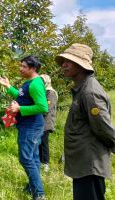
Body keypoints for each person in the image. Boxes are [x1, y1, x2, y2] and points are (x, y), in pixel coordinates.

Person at [55, 43, 115, 200]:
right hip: (83, 162)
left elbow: (103, 128)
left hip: (90, 164)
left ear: (81, 65)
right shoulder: (82, 88)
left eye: (69, 61)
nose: (64, 64)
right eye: (63, 61)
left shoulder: (90, 93)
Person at [0, 56, 48, 200]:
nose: (21, 69)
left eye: (24, 66)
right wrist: (8, 86)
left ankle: (39, 194)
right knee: (33, 157)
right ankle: (32, 186)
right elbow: (21, 96)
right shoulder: (29, 82)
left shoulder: (35, 84)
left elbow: (42, 107)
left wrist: (20, 108)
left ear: (33, 68)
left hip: (31, 126)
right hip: (30, 125)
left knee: (25, 159)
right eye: (21, 66)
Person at [39, 74, 58, 172]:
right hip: (41, 122)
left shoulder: (51, 92)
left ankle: (45, 163)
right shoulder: (43, 91)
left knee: (44, 143)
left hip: (46, 122)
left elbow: (46, 108)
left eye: (42, 81)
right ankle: (40, 162)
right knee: (39, 143)